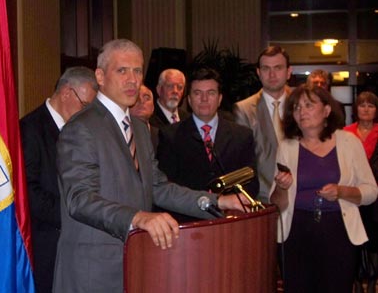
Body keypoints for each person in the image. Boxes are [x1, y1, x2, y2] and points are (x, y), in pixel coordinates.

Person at [53, 39, 250, 293]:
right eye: (122, 71)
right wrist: (137, 218)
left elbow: (158, 187)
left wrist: (217, 202)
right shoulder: (82, 128)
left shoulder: (138, 128)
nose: (132, 79)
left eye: (137, 71)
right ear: (100, 76)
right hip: (93, 273)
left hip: (138, 264)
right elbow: (80, 200)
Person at [270, 85, 378, 293]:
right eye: (296, 108)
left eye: (308, 105)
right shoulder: (287, 147)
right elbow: (277, 203)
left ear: (327, 110)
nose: (301, 112)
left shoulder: (349, 142)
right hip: (296, 232)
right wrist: (283, 188)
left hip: (338, 231)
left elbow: (371, 191)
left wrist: (341, 191)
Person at [20, 66, 98, 293]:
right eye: (85, 106)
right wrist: (70, 214)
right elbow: (28, 190)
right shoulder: (29, 129)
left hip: (77, 243)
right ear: (66, 93)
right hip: (46, 244)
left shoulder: (82, 132)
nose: (87, 113)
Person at [157, 67, 259, 222]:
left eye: (210, 93)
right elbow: (167, 187)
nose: (204, 99)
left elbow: (251, 183)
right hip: (188, 223)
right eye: (198, 93)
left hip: (232, 221)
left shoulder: (242, 135)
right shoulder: (170, 136)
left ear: (219, 99)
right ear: (189, 100)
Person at [234, 45, 293, 203]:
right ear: (258, 73)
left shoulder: (302, 103)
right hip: (263, 197)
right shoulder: (244, 109)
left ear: (289, 72)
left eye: (278, 68)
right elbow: (244, 160)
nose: (272, 74)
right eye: (266, 68)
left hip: (301, 194)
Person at [344, 91, 378, 293]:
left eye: (371, 105)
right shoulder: (346, 132)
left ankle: (374, 282)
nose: (366, 109)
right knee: (353, 239)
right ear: (356, 109)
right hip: (352, 194)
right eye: (362, 105)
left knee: (374, 240)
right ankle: (355, 283)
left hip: (376, 197)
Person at [129, 84, 159, 150]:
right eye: (136, 98)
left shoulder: (161, 136)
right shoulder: (118, 134)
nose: (141, 101)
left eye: (146, 98)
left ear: (153, 107)